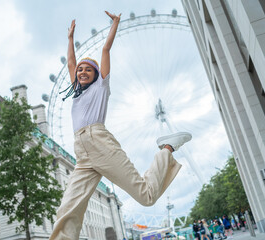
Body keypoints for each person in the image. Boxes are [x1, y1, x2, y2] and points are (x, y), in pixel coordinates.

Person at [49, 11, 192, 240]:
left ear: (97, 75)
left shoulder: (101, 87)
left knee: (146, 197)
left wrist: (115, 24)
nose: (82, 71)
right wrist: (69, 40)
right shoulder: (76, 91)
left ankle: (167, 149)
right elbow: (71, 62)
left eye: (88, 69)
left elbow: (105, 50)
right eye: (80, 70)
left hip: (100, 143)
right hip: (83, 154)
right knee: (68, 207)